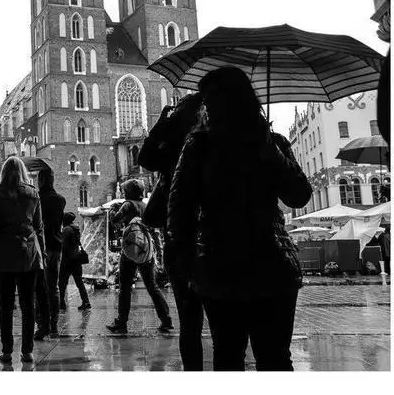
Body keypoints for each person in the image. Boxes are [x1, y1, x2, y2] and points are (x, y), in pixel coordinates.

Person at [167, 66, 312, 371]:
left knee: (247, 358)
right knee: (250, 358)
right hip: (233, 267)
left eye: (211, 98)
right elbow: (179, 211)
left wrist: (269, 149)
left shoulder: (268, 142)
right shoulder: (201, 146)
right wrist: (189, 265)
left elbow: (298, 194)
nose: (207, 106)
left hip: (255, 265)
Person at [138, 93, 206, 370]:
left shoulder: (174, 148)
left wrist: (161, 125)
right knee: (228, 330)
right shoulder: (217, 141)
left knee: (190, 325)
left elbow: (145, 156)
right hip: (214, 240)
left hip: (180, 240)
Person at [0, 156, 45, 364]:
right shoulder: (33, 193)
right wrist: (41, 255)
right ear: (23, 172)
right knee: (28, 305)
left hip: (4, 254)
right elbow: (39, 227)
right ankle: (27, 351)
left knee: (5, 305)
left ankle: (7, 351)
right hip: (28, 254)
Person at [106, 179, 173, 335]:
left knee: (125, 287)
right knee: (152, 286)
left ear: (129, 192)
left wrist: (113, 211)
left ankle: (121, 323)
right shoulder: (146, 206)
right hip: (146, 250)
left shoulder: (128, 205)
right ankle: (167, 320)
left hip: (130, 250)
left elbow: (115, 219)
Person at [35, 167, 65, 340]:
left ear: (42, 180)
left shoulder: (37, 198)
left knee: (39, 288)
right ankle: (54, 325)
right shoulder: (60, 200)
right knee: (53, 287)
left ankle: (42, 325)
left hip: (41, 247)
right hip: (57, 246)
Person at [58, 212, 91, 311]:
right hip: (76, 259)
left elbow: (61, 243)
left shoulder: (67, 229)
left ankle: (62, 303)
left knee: (62, 283)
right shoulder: (76, 229)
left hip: (67, 260)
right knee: (79, 282)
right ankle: (86, 302)